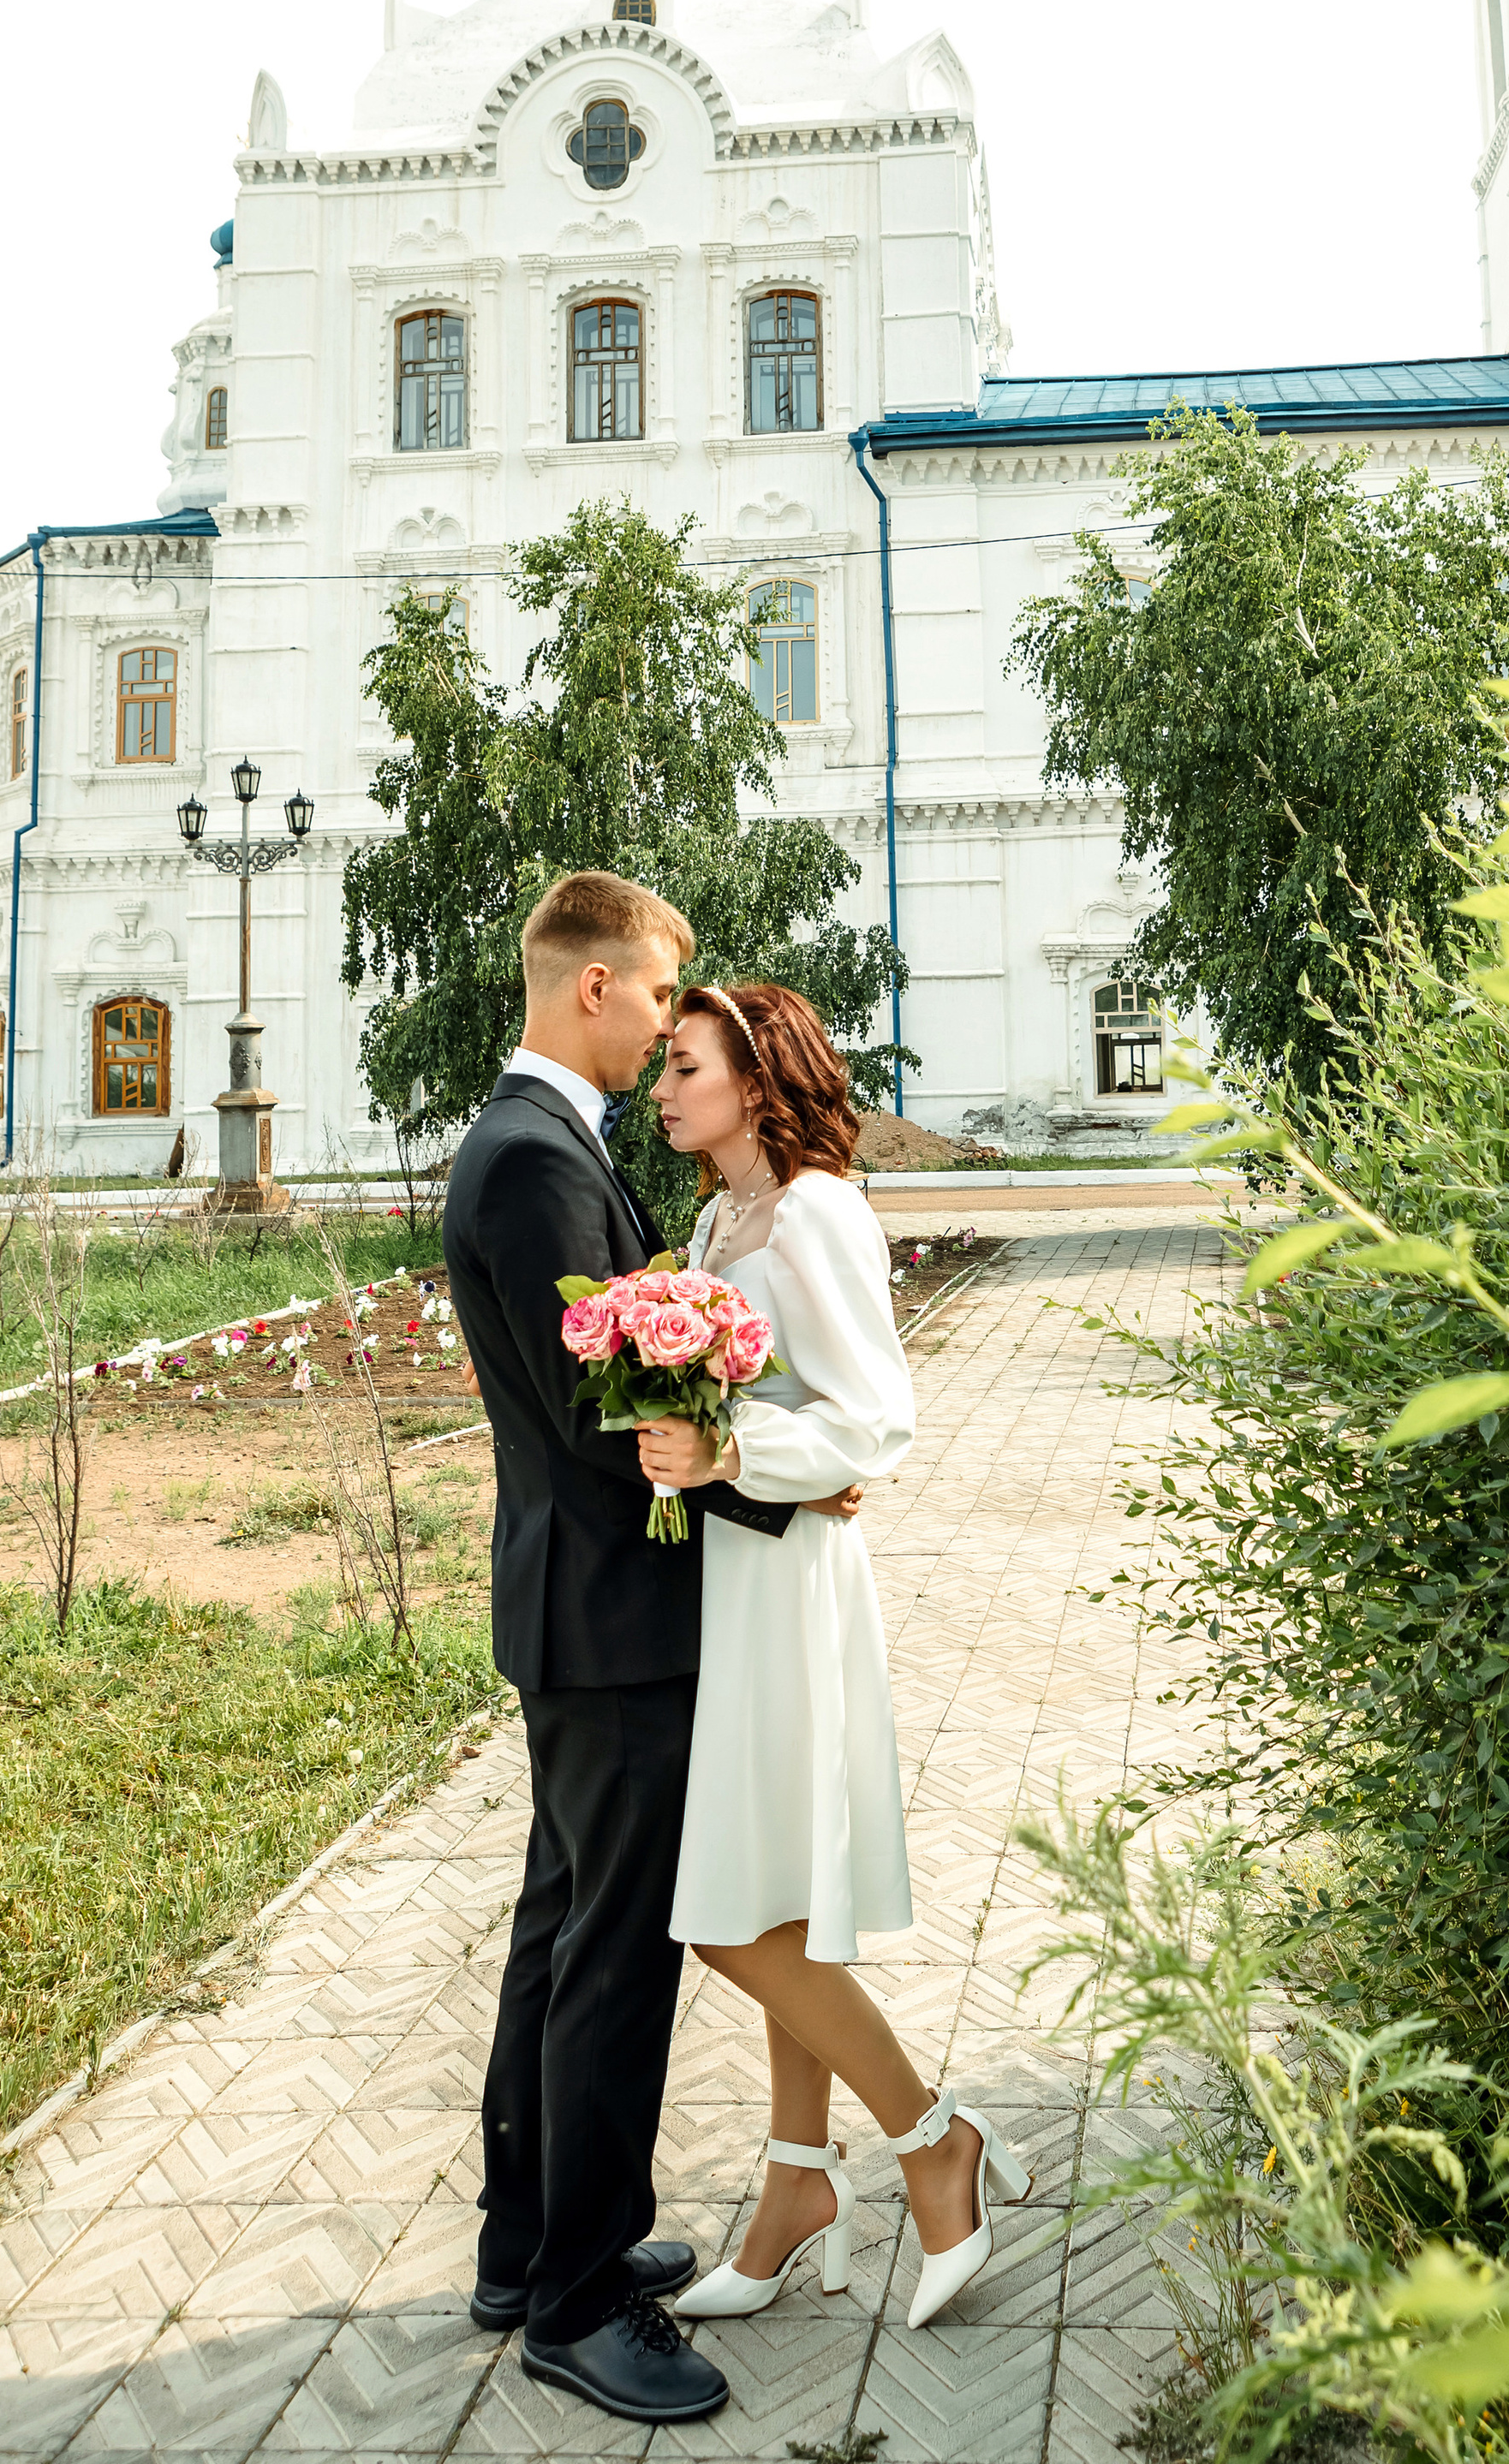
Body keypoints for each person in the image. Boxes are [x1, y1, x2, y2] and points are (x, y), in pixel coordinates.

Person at [442, 874, 856, 2430]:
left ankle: (521, 2244)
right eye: (661, 992)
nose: (663, 1031)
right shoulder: (537, 1164)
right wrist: (776, 1483)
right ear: (596, 987)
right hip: (611, 1621)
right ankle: (582, 2294)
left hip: (582, 1614)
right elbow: (612, 1424)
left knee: (562, 1927)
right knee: (612, 1956)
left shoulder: (534, 1146)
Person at [635, 982, 1032, 2336]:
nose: (663, 1088)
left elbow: (876, 1421)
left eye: (685, 1067)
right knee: (774, 1903)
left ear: (758, 1079)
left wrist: (734, 1452)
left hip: (789, 1588)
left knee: (731, 1922)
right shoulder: (715, 1217)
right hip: (727, 1584)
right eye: (663, 1068)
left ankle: (933, 2144)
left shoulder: (814, 1210)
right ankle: (799, 2183)